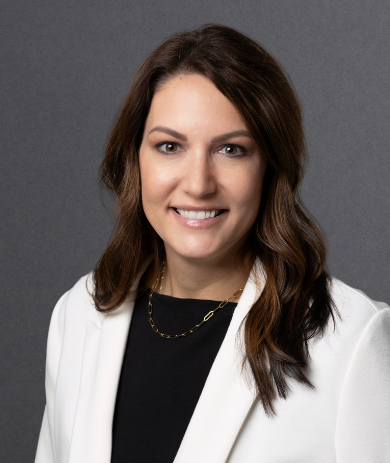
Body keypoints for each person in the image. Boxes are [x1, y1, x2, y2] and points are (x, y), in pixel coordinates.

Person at [35, 24, 390, 463]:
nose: (198, 184)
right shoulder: (78, 313)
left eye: (231, 150)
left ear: (271, 167)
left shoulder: (351, 341)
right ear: (135, 159)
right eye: (170, 146)